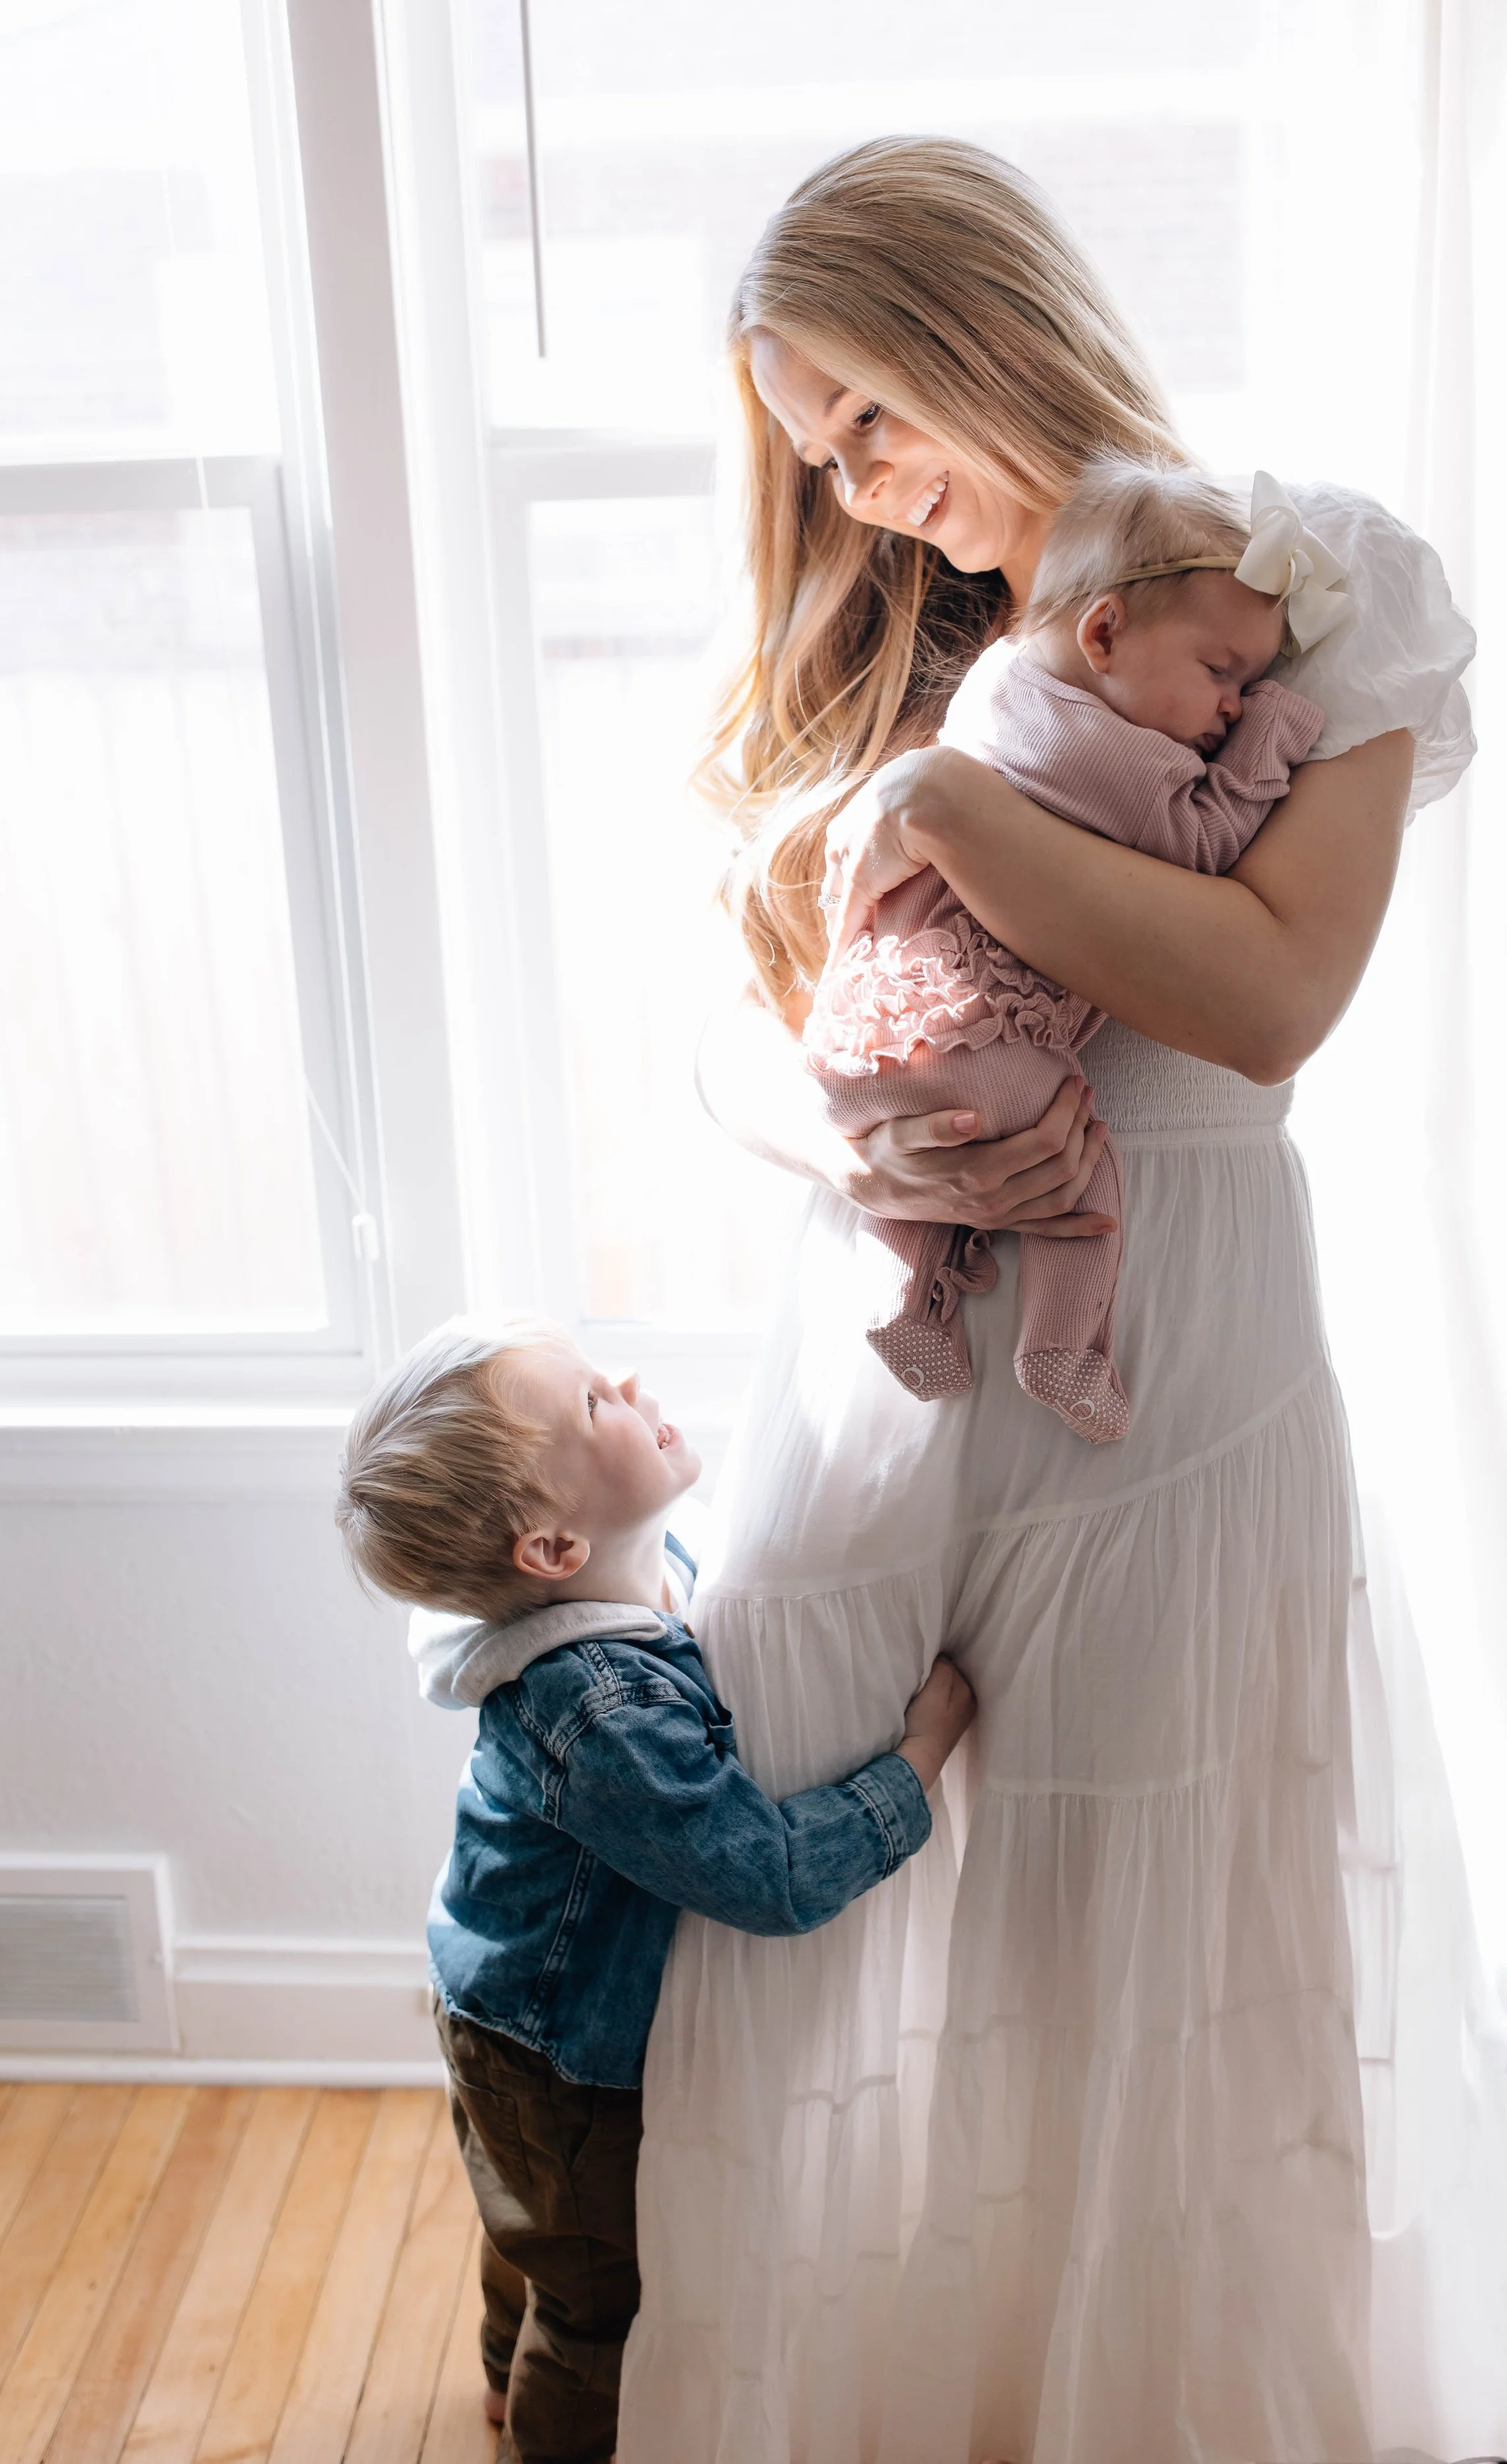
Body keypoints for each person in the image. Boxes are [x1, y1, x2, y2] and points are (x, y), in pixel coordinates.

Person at [615, 137, 1492, 2464]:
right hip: (888, 1328)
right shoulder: (882, 633)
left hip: (1180, 1340)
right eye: (825, 465)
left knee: (1151, 1916)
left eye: (874, 425)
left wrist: (941, 807)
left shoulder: (1304, 578)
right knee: (807, 1854)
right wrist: (863, 1131)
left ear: (970, 325)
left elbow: (1270, 992)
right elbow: (737, 1020)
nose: (875, 501)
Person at [335, 1316, 974, 2464]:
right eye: (591, 1402)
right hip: (554, 2054)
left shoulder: (643, 1572)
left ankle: (495, 2368)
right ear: (548, 1548)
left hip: (499, 2002)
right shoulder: (599, 1714)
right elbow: (765, 1872)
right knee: (594, 2293)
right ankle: (537, 2417)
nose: (627, 1381)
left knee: (526, 2221)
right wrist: (915, 1766)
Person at [804, 455, 1328, 1438]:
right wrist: (1277, 732)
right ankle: (1061, 1349)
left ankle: (907, 1295)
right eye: (1224, 675)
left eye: (1250, 688)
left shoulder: (999, 685)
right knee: (1077, 1164)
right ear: (1104, 633)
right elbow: (1202, 845)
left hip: (862, 1049)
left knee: (934, 1174)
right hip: (979, 1041)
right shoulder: (1108, 755)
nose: (1231, 706)